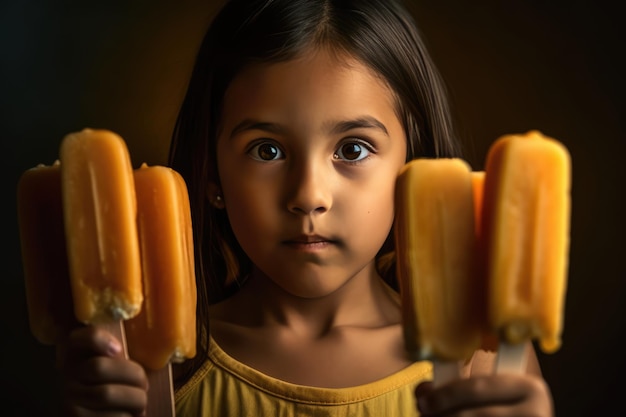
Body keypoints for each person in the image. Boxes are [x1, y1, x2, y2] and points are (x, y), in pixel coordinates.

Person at [59, 0, 554, 415]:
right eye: (267, 150)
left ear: (414, 170)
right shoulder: (152, 366)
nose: (309, 195)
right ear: (211, 174)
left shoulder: (480, 362)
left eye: (353, 149)